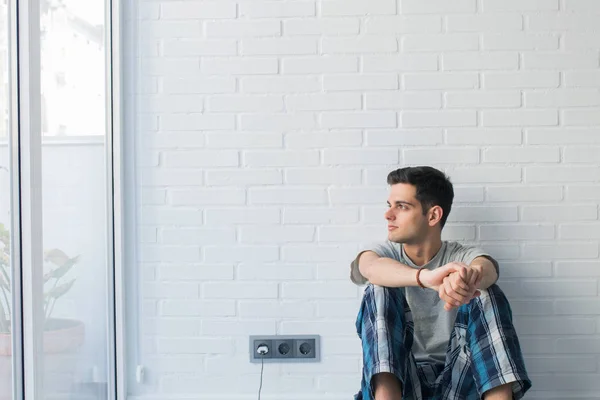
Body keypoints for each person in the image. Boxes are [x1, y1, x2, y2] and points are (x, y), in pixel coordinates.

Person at [350, 166, 531, 400]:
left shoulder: (459, 256)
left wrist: (467, 278)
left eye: (402, 206)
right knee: (378, 289)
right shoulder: (385, 253)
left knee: (485, 292)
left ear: (433, 215)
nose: (388, 215)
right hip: (403, 382)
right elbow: (369, 268)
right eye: (389, 205)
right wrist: (425, 278)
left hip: (458, 383)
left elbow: (487, 268)